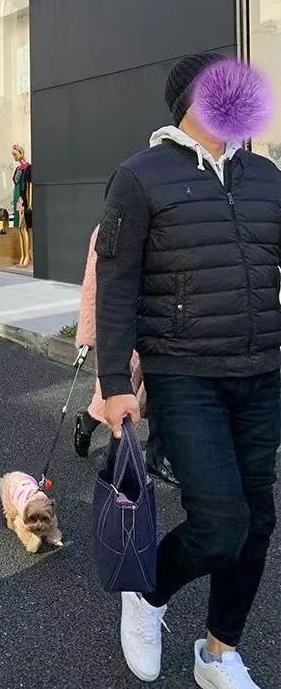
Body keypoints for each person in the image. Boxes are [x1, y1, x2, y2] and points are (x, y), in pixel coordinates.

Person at [96, 53, 281, 689]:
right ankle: (148, 590)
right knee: (220, 522)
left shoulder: (266, 176)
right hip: (184, 375)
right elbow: (116, 286)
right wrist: (114, 384)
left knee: (257, 520)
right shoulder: (140, 176)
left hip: (262, 371)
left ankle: (218, 653)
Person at [73, 225, 179, 486]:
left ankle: (157, 459)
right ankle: (90, 427)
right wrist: (88, 337)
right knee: (116, 398)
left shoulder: (169, 224)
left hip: (160, 327)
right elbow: (93, 287)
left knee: (162, 397)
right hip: (122, 329)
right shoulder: (110, 228)